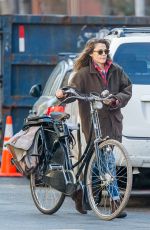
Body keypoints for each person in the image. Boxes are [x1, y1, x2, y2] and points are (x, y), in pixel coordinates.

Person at [56, 38, 132, 217]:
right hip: (93, 121)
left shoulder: (116, 70)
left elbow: (127, 88)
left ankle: (81, 192)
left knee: (100, 159)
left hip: (112, 121)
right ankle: (114, 200)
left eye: (105, 51)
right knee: (105, 158)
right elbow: (72, 90)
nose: (104, 54)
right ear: (91, 53)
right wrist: (62, 93)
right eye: (100, 52)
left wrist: (116, 99)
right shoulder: (83, 73)